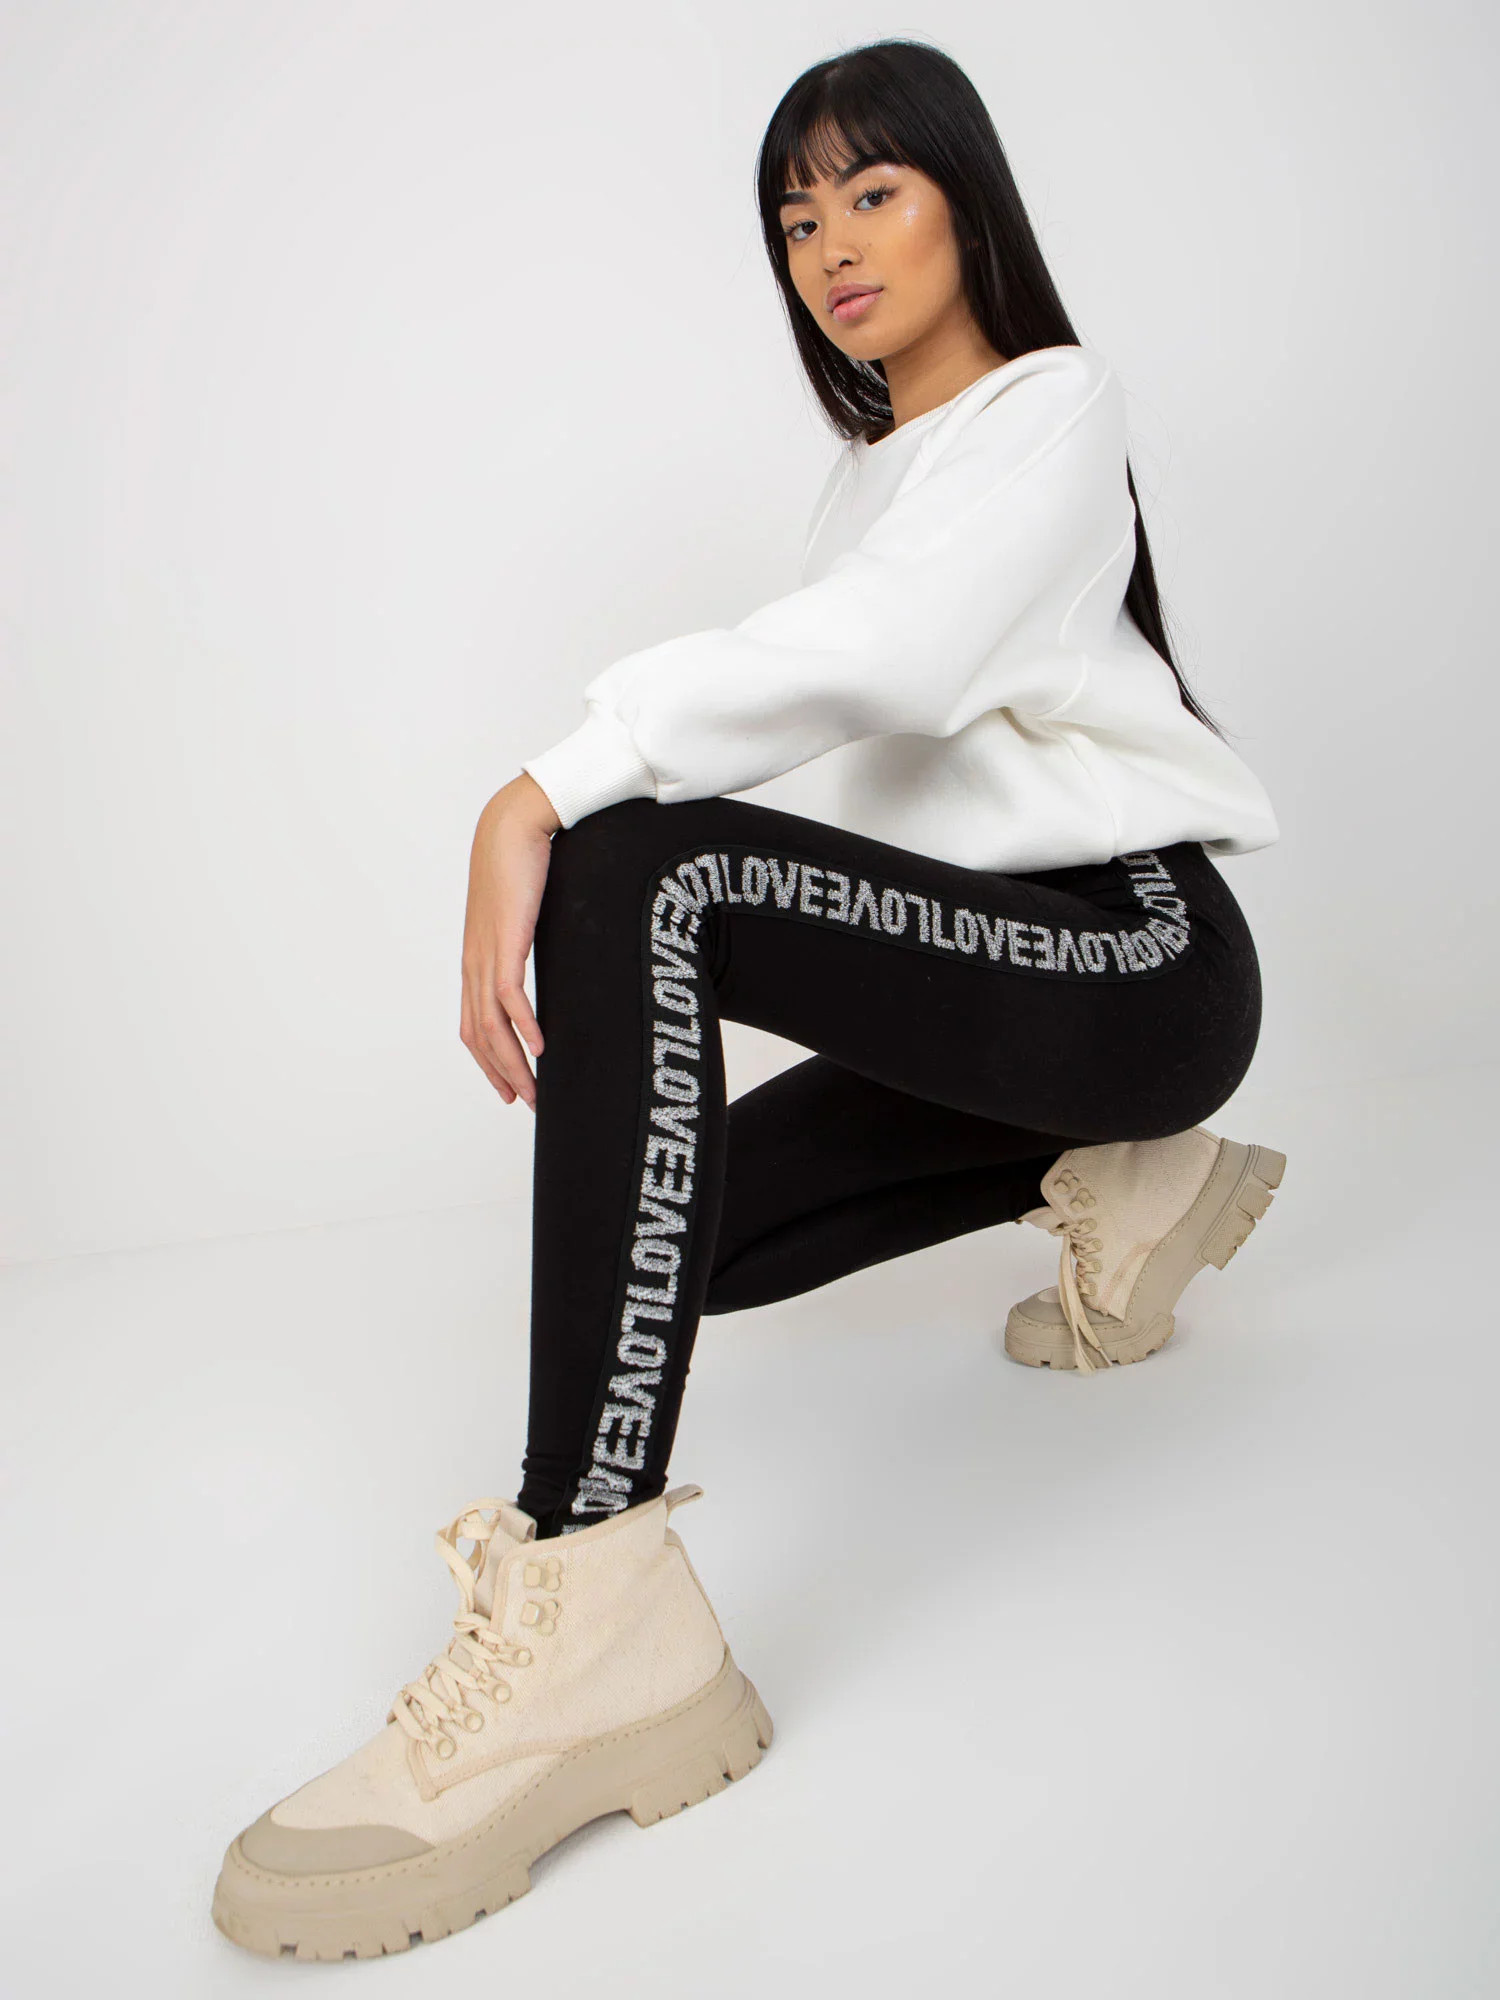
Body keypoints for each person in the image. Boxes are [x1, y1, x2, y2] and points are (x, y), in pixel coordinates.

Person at [213, 37, 1287, 1959]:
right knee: (661, 1246)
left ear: (967, 201)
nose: (831, 246)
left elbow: (888, 655)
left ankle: (590, 1602)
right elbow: (865, 728)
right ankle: (1113, 1171)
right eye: (796, 218)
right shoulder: (865, 486)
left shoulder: (1053, 406)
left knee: (642, 854)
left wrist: (542, 788)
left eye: (873, 192)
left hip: (1137, 960)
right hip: (1005, 991)